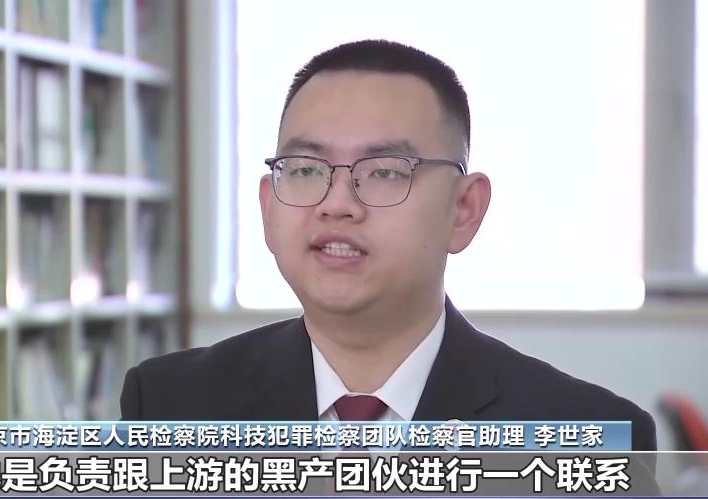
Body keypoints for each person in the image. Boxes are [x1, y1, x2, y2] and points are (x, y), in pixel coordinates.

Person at [119, 40, 657, 454]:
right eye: (305, 169)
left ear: (464, 210)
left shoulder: (588, 434)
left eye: (384, 172)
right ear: (267, 205)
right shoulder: (168, 406)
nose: (337, 204)